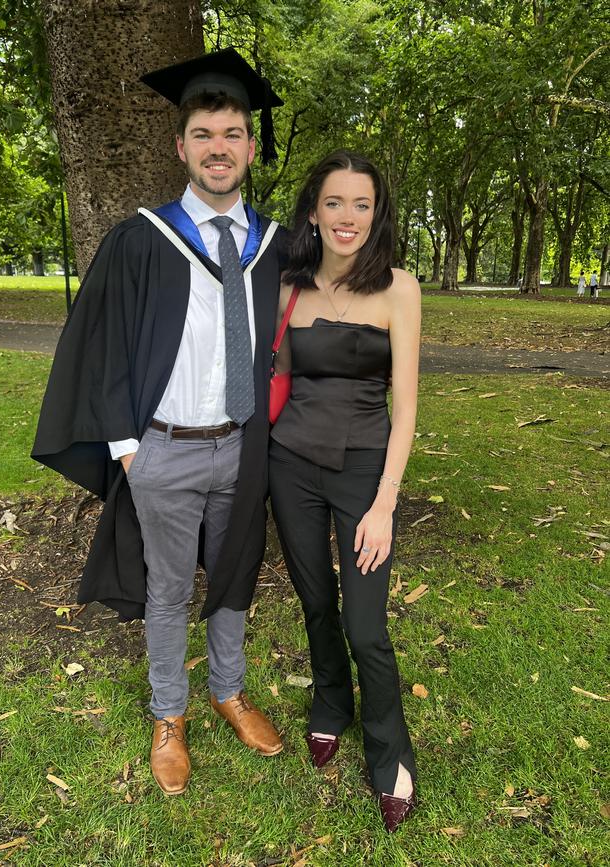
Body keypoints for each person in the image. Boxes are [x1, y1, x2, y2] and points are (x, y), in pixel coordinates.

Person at [32, 48, 290, 796]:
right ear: (181, 146)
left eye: (234, 132)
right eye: (205, 133)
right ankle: (169, 713)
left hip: (245, 446)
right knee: (170, 587)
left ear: (250, 145)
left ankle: (229, 689)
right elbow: (105, 347)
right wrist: (126, 448)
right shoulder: (142, 238)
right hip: (164, 452)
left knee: (237, 575)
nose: (220, 147)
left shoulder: (273, 246)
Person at [269, 151, 421, 833]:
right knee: (314, 599)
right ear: (313, 211)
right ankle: (330, 703)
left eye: (362, 204)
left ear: (376, 213)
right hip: (290, 465)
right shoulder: (287, 287)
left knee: (367, 625)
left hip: (364, 470)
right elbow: (271, 377)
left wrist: (386, 501)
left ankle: (390, 749)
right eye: (336, 202)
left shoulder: (399, 289)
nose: (348, 217)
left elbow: (408, 407)